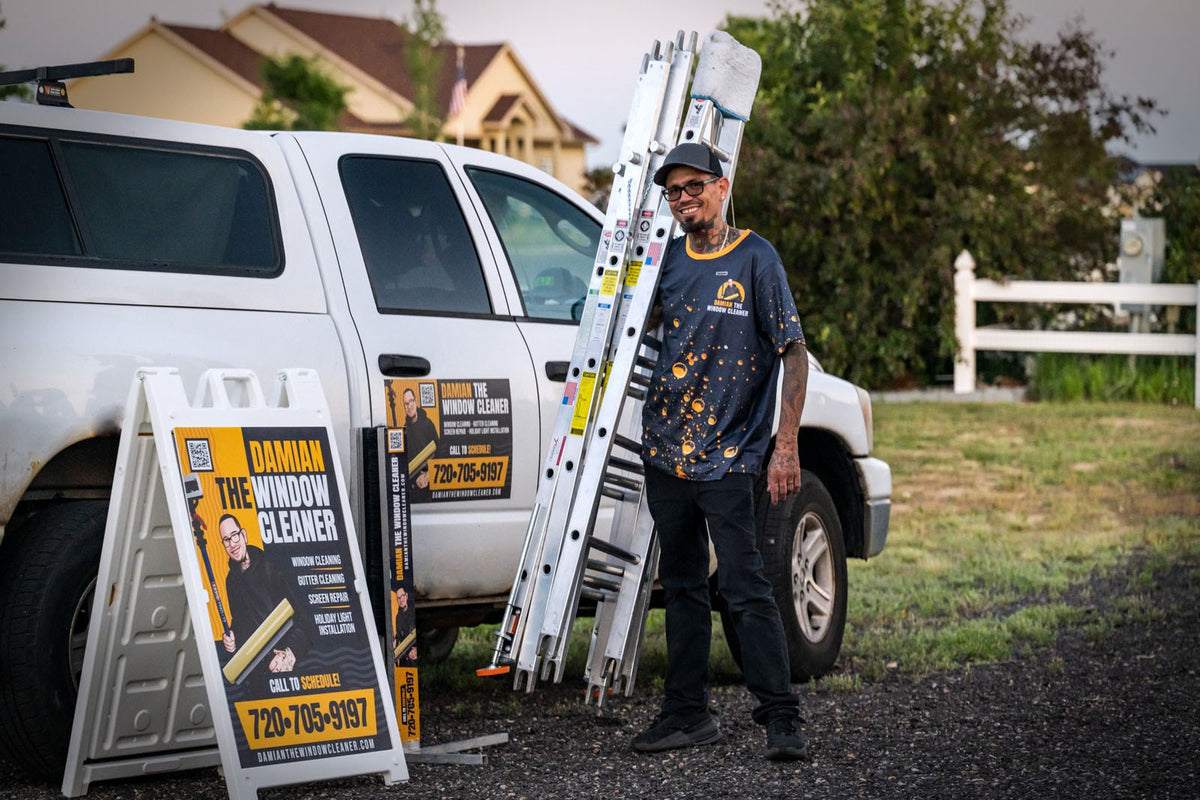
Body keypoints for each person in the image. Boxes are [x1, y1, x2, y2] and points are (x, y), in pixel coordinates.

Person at [632, 142, 810, 761]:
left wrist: (784, 444)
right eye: (673, 193)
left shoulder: (756, 258)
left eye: (693, 187)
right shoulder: (668, 262)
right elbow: (635, 322)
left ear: (722, 185)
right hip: (666, 450)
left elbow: (793, 350)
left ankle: (781, 719)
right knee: (681, 584)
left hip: (733, 453)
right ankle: (686, 713)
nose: (683, 200)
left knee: (743, 583)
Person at [219, 513, 311, 676]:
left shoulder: (271, 567)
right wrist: (232, 638)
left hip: (289, 665)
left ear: (244, 535)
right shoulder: (231, 580)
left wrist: (289, 655)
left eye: (234, 535)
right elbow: (240, 621)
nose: (232, 544)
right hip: (258, 670)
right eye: (226, 540)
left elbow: (303, 618)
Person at [402, 387, 439, 502]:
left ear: (416, 401)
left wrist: (428, 475)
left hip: (427, 489)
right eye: (406, 404)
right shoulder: (404, 430)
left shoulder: (428, 424)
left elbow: (441, 454)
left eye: (411, 401)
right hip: (411, 491)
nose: (409, 406)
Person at [392, 582, 418, 667]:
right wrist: (395, 640)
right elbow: (400, 633)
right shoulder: (398, 617)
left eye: (402, 596)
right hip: (404, 654)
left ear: (406, 596)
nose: (401, 600)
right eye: (398, 598)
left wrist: (415, 649)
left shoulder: (413, 611)